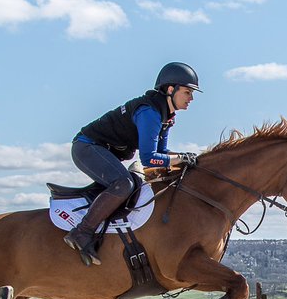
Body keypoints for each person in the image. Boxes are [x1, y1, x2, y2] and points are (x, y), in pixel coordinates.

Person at [64, 62, 202, 265]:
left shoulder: (166, 116)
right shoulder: (150, 113)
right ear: (170, 89)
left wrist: (184, 157)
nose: (191, 98)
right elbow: (149, 159)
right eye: (188, 92)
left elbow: (162, 154)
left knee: (129, 182)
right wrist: (180, 158)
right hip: (86, 147)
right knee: (124, 183)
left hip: (101, 149)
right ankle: (81, 233)